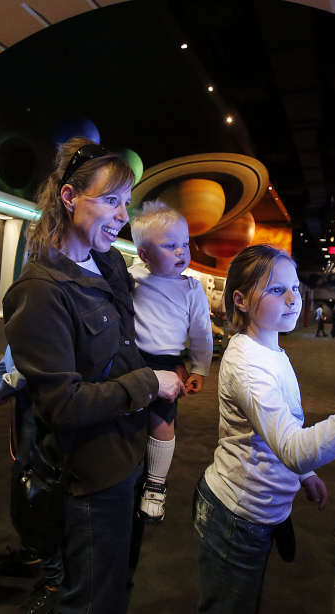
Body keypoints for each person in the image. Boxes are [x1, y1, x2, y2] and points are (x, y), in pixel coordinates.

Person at [2, 137, 185, 614]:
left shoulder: (106, 263)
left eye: (125, 202)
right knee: (89, 601)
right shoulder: (40, 291)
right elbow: (64, 404)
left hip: (129, 455)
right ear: (68, 198)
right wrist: (151, 382)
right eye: (110, 200)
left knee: (115, 589)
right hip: (90, 475)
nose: (123, 215)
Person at [192, 244, 335, 612]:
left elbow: (282, 428)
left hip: (256, 510)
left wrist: (305, 474)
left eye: (294, 287)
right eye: (277, 290)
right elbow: (293, 448)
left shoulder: (270, 349)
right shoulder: (249, 367)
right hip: (236, 517)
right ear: (241, 300)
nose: (293, 298)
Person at [128, 200, 213, 522]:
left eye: (185, 244)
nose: (182, 252)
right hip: (132, 358)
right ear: (145, 255)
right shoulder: (131, 278)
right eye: (170, 246)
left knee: (163, 423)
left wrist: (200, 369)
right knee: (126, 415)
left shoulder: (191, 289)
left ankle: (156, 485)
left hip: (167, 361)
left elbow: (202, 335)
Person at [0, 346, 64, 613]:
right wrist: (2, 384)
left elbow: (30, 367)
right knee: (26, 484)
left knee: (40, 493)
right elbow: (8, 357)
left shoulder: (49, 307)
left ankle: (55, 582)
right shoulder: (29, 306)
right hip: (28, 405)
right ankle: (34, 553)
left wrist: (4, 386)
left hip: (45, 407)